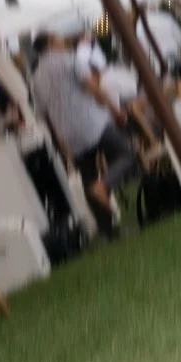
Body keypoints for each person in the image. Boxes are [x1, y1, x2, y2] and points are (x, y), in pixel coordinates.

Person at [31, 32, 140, 230]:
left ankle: (108, 228)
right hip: (92, 122)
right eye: (59, 39)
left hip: (68, 134)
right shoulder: (69, 59)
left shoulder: (36, 79)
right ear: (52, 43)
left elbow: (44, 116)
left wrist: (59, 142)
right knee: (128, 153)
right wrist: (115, 110)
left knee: (88, 176)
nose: (63, 41)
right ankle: (104, 185)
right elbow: (92, 87)